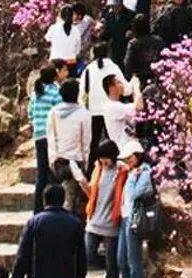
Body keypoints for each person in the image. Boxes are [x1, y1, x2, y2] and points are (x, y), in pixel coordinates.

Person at [12, 183, 87, 278]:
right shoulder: (75, 223)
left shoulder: (34, 222)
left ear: (44, 200)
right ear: (63, 200)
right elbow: (81, 256)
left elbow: (23, 254)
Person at [85, 139, 125, 278]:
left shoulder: (122, 171)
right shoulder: (98, 168)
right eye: (101, 159)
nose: (103, 162)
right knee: (88, 255)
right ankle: (116, 266)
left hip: (111, 223)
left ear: (113, 156)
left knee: (111, 264)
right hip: (94, 220)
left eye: (106, 159)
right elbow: (92, 190)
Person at [79, 43, 128, 172]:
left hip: (93, 112)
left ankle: (92, 172)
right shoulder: (113, 67)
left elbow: (83, 92)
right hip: (111, 110)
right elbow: (125, 88)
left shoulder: (88, 69)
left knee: (94, 143)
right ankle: (115, 171)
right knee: (113, 143)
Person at [117, 141, 154, 278]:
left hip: (134, 220)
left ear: (138, 155)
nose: (127, 161)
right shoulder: (133, 172)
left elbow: (134, 194)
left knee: (134, 261)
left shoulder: (143, 172)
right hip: (126, 218)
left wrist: (132, 178)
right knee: (122, 259)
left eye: (129, 157)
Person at [46, 80, 91, 217]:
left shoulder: (53, 112)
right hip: (76, 161)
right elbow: (86, 141)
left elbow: (51, 137)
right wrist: (86, 163)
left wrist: (52, 160)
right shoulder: (83, 113)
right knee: (73, 200)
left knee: (64, 197)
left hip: (59, 162)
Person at [28, 66, 63, 214]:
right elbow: (61, 112)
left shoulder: (35, 93)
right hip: (51, 136)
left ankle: (37, 209)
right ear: (54, 77)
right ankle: (55, 206)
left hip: (38, 136)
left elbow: (30, 114)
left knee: (41, 174)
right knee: (55, 171)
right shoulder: (55, 93)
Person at [102, 73, 143, 149]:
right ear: (111, 88)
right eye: (119, 83)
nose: (123, 85)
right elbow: (139, 106)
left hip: (131, 147)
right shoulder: (111, 107)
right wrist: (136, 86)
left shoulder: (117, 105)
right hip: (124, 149)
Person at [123, 15, 163, 87]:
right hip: (157, 78)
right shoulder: (158, 40)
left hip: (140, 80)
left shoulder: (133, 44)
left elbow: (127, 64)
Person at [45, 6, 83, 71]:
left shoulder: (53, 28)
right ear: (72, 17)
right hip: (70, 63)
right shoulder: (76, 31)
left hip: (55, 62)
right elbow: (77, 50)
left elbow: (47, 39)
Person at [100, 0, 128, 69]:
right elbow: (106, 34)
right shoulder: (109, 16)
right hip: (114, 51)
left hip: (126, 50)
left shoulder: (130, 15)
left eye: (115, 5)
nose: (113, 8)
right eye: (111, 6)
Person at [71, 4, 95, 72]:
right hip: (78, 56)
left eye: (73, 14)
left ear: (80, 16)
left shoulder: (85, 22)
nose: (72, 16)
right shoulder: (88, 19)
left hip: (84, 56)